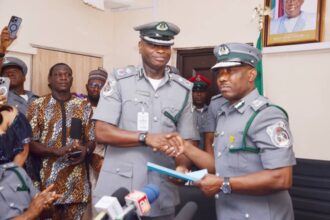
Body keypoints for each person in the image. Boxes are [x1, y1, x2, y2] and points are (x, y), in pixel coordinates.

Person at [92, 21, 199, 220]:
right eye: (153, 45)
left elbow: (188, 142)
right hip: (119, 192)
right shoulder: (120, 81)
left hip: (161, 193)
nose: (160, 51)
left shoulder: (183, 89)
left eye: (165, 46)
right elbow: (102, 131)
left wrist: (181, 168)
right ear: (140, 46)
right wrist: (145, 137)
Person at [189, 43, 296, 220]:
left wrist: (223, 184)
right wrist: (184, 147)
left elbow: (281, 178)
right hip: (229, 212)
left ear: (251, 75)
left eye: (230, 71)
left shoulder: (267, 115)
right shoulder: (224, 113)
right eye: (220, 73)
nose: (222, 78)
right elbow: (221, 166)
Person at [27, 63, 95, 219]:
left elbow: (92, 139)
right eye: (58, 74)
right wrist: (56, 151)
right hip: (47, 183)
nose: (63, 77)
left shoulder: (83, 106)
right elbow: (30, 143)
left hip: (76, 183)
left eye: (67, 74)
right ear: (49, 80)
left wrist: (87, 150)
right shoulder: (37, 105)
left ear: (72, 79)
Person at [0, 104, 61, 219]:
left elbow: (45, 212)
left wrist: (45, 204)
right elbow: (32, 212)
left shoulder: (17, 173)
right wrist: (31, 213)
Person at [188, 74, 210, 149]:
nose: (199, 94)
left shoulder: (212, 112)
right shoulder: (185, 113)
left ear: (206, 93)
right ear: (190, 93)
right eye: (195, 91)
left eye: (202, 91)